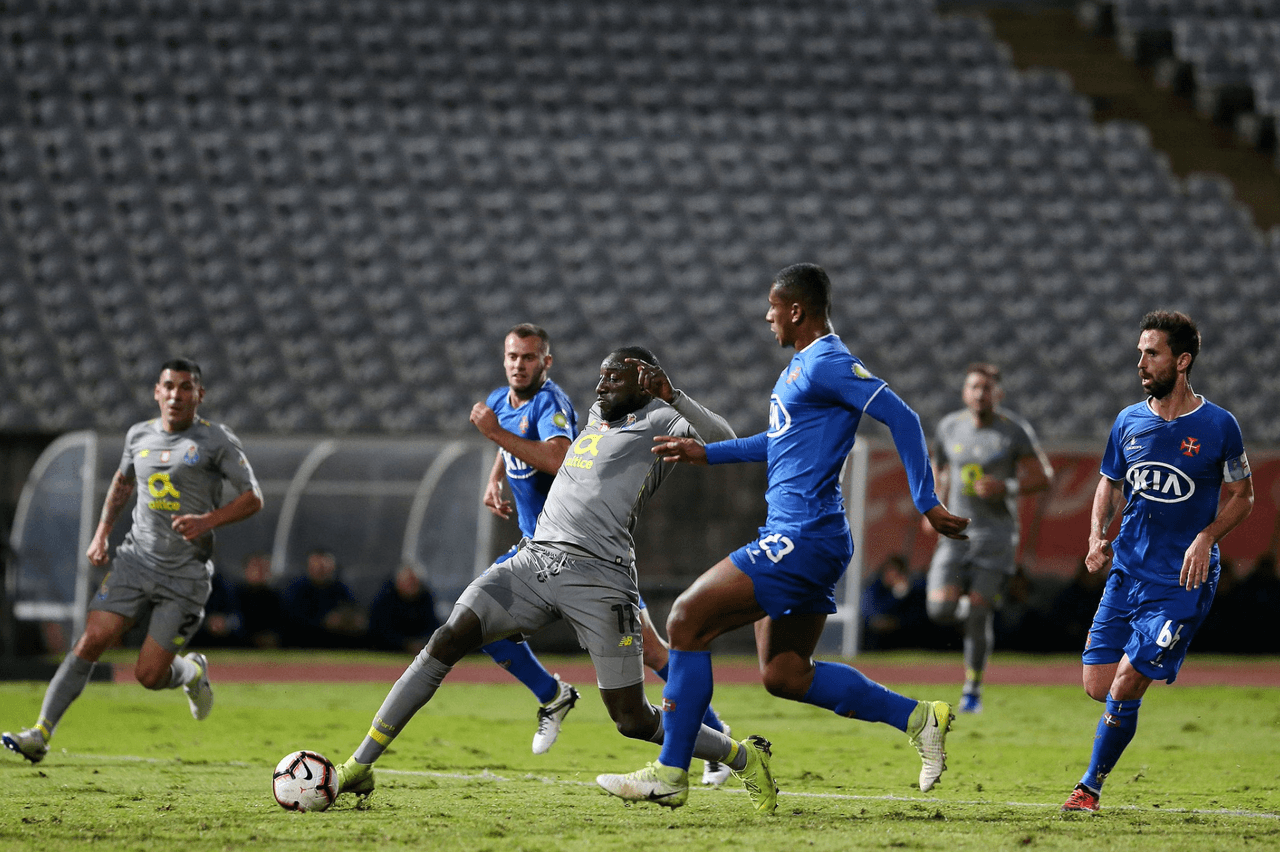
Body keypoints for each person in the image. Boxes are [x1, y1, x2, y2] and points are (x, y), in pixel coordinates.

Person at [598, 263, 970, 813]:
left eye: (773, 305)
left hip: (803, 536)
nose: (767, 315)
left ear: (797, 309)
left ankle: (671, 771)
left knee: (684, 619)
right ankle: (919, 718)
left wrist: (926, 500)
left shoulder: (829, 362)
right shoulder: (801, 368)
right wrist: (706, 452)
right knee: (785, 674)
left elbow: (904, 417)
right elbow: (775, 444)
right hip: (805, 536)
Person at [332, 348, 756, 806]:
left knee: (632, 720)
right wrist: (498, 469)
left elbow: (724, 440)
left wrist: (673, 395)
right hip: (535, 560)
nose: (600, 387)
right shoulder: (596, 414)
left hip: (601, 576)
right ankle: (359, 764)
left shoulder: (660, 420)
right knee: (448, 637)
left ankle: (740, 756)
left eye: (612, 378)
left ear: (642, 381)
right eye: (600, 377)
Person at [470, 324, 731, 781]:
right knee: (480, 622)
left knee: (654, 655)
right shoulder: (500, 401)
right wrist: (495, 475)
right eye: (513, 356)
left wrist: (494, 435)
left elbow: (556, 457)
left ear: (545, 362)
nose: (519, 364)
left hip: (590, 554)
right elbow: (507, 431)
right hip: (537, 552)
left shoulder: (554, 405)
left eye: (529, 357)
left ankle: (714, 736)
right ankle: (552, 694)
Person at [3, 358, 263, 764]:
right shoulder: (138, 435)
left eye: (186, 387)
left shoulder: (217, 441)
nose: (176, 394)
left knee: (148, 675)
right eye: (169, 386)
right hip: (135, 560)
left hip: (186, 574)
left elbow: (253, 498)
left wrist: (207, 520)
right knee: (91, 641)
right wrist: (102, 533)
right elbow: (123, 482)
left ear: (200, 395)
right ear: (157, 392)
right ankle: (40, 732)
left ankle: (192, 673)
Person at [1061, 310, 1253, 813]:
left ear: (1182, 360)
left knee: (1125, 681)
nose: (1141, 362)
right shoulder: (1128, 421)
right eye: (1140, 352)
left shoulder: (1219, 426)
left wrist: (1207, 537)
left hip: (1182, 582)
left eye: (1153, 353)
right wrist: (1096, 535)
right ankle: (1145, 669)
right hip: (1128, 572)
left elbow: (1242, 495)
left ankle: (1089, 787)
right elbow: (1109, 481)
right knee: (1099, 686)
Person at [923, 362, 1053, 713]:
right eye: (974, 387)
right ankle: (964, 607)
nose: (980, 393)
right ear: (965, 392)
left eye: (986, 387)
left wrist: (1006, 487)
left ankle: (972, 690)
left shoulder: (1013, 431)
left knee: (980, 615)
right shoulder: (950, 427)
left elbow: (1045, 476)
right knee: (938, 610)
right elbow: (939, 468)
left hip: (997, 537)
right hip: (956, 534)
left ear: (999, 393)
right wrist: (933, 505)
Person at [282, 549, 367, 648]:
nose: (320, 570)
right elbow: (293, 620)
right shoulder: (297, 590)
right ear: (308, 567)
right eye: (316, 566)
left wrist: (352, 620)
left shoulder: (341, 588)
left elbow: (354, 609)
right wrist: (323, 622)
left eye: (324, 566)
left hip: (338, 642)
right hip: (305, 642)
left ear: (333, 567)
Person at [366, 562, 441, 654]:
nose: (411, 585)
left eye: (414, 582)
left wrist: (423, 642)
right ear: (399, 581)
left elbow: (432, 625)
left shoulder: (425, 598)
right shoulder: (386, 598)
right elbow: (380, 630)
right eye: (408, 581)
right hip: (388, 649)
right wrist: (405, 644)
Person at [234, 552, 286, 650]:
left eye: (264, 568)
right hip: (240, 644)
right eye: (255, 567)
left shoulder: (275, 597)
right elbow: (235, 622)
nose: (259, 571)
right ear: (246, 570)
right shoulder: (235, 594)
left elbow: (283, 623)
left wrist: (272, 636)